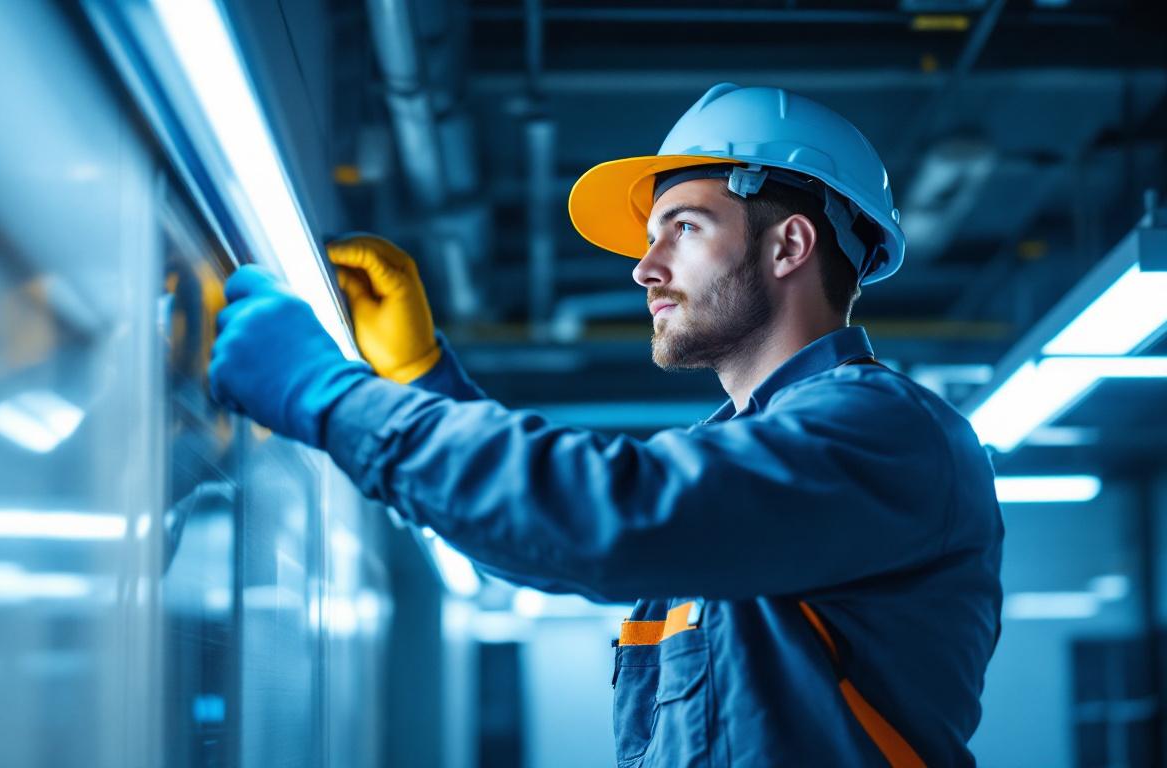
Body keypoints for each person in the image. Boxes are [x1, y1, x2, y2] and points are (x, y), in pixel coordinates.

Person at [208, 83, 1003, 767]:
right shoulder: (741, 466)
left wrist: (326, 395)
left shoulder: (884, 434)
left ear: (788, 245)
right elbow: (547, 535)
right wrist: (424, 379)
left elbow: (604, 517)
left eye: (683, 228)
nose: (644, 268)